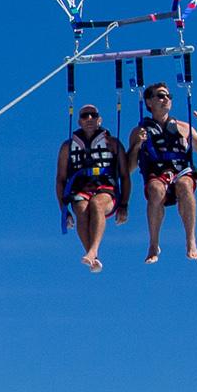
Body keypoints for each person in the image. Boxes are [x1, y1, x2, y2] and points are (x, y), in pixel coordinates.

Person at [129, 81, 197, 261]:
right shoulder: (139, 131)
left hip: (181, 171)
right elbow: (129, 167)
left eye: (168, 96)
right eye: (160, 95)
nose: (166, 99)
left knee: (184, 184)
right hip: (157, 174)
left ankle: (191, 240)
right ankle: (153, 244)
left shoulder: (183, 127)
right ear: (149, 102)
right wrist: (137, 145)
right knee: (155, 189)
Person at [55, 103, 126, 272]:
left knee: (96, 204)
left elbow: (124, 175)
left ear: (99, 120)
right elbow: (60, 179)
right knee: (81, 208)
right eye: (85, 116)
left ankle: (93, 251)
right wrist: (63, 210)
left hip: (106, 189)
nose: (89, 119)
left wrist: (124, 204)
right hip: (81, 189)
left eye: (93, 115)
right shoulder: (68, 147)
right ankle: (92, 256)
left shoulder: (113, 143)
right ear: (79, 121)